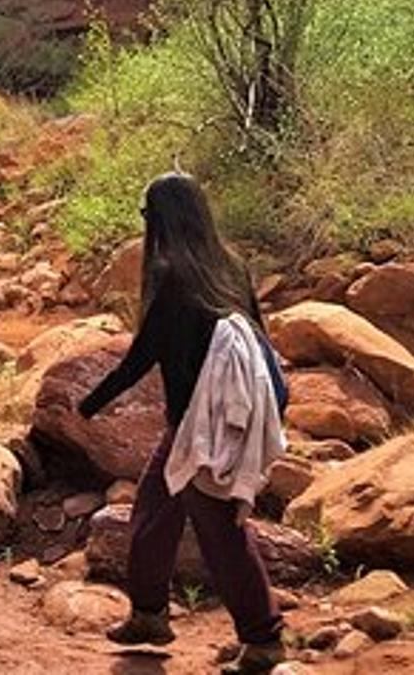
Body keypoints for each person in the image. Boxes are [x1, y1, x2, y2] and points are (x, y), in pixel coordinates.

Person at [77, 173, 290, 675]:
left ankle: (264, 640)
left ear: (162, 220)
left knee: (222, 535)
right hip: (209, 423)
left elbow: (139, 360)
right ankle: (150, 615)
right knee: (152, 513)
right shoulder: (231, 265)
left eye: (147, 216)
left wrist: (88, 405)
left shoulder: (173, 276)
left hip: (201, 431)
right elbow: (261, 338)